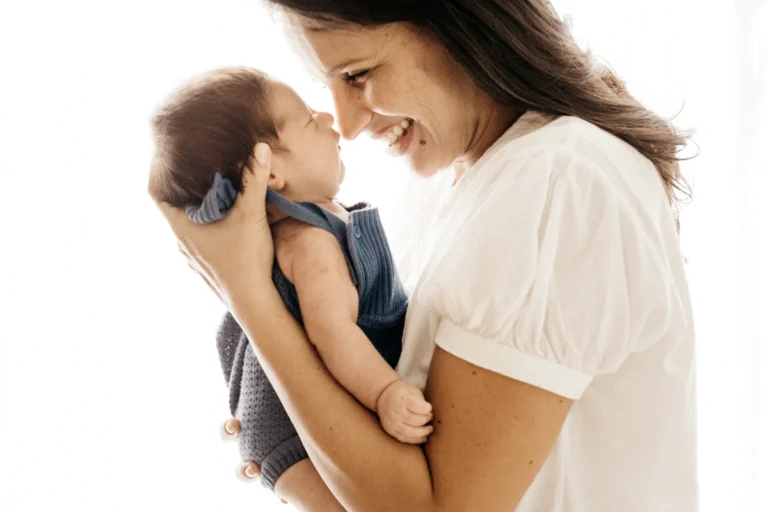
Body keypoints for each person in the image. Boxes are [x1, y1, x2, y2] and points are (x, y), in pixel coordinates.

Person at [156, 1, 697, 510]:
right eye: (329, 84)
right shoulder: (458, 179)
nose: (345, 124)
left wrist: (248, 296)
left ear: (456, 25)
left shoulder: (556, 179)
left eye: (359, 75)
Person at [148, 67, 434, 492]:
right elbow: (332, 333)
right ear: (270, 170)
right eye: (307, 118)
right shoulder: (308, 241)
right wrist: (385, 393)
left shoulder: (316, 225)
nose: (328, 119)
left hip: (279, 418)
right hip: (289, 432)